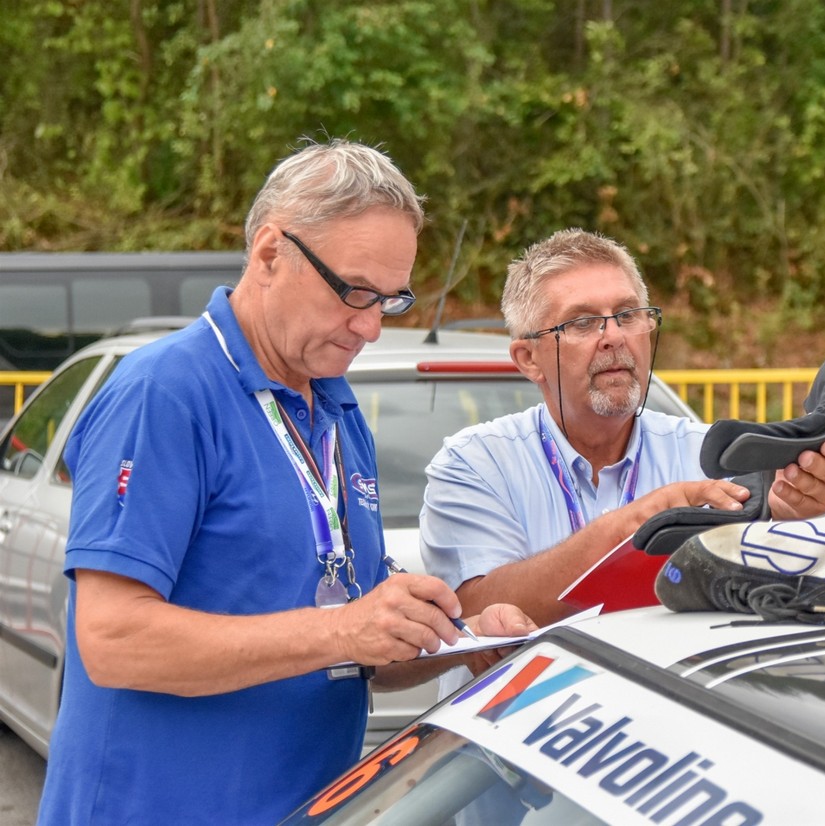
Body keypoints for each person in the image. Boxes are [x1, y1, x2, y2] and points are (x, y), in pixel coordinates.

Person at [37, 139, 533, 826]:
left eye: (389, 301)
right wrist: (343, 630)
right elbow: (113, 641)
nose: (370, 327)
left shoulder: (336, 409)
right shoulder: (165, 393)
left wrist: (459, 637)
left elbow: (357, 648)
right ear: (271, 253)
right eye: (354, 292)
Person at [420, 228, 825, 628]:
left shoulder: (710, 456)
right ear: (529, 359)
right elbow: (473, 613)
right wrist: (637, 523)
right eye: (582, 322)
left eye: (627, 315)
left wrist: (788, 520)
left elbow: (773, 600)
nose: (614, 336)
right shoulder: (475, 464)